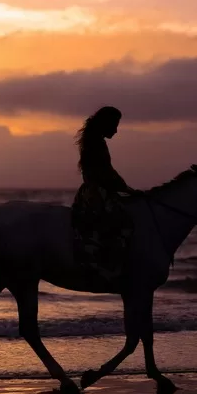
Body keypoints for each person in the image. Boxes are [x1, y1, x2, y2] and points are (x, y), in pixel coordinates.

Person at [72, 106, 136, 290]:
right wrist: (126, 188)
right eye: (114, 125)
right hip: (96, 193)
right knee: (122, 223)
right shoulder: (95, 142)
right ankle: (107, 268)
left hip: (98, 189)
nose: (116, 130)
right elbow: (105, 172)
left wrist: (124, 187)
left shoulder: (95, 140)